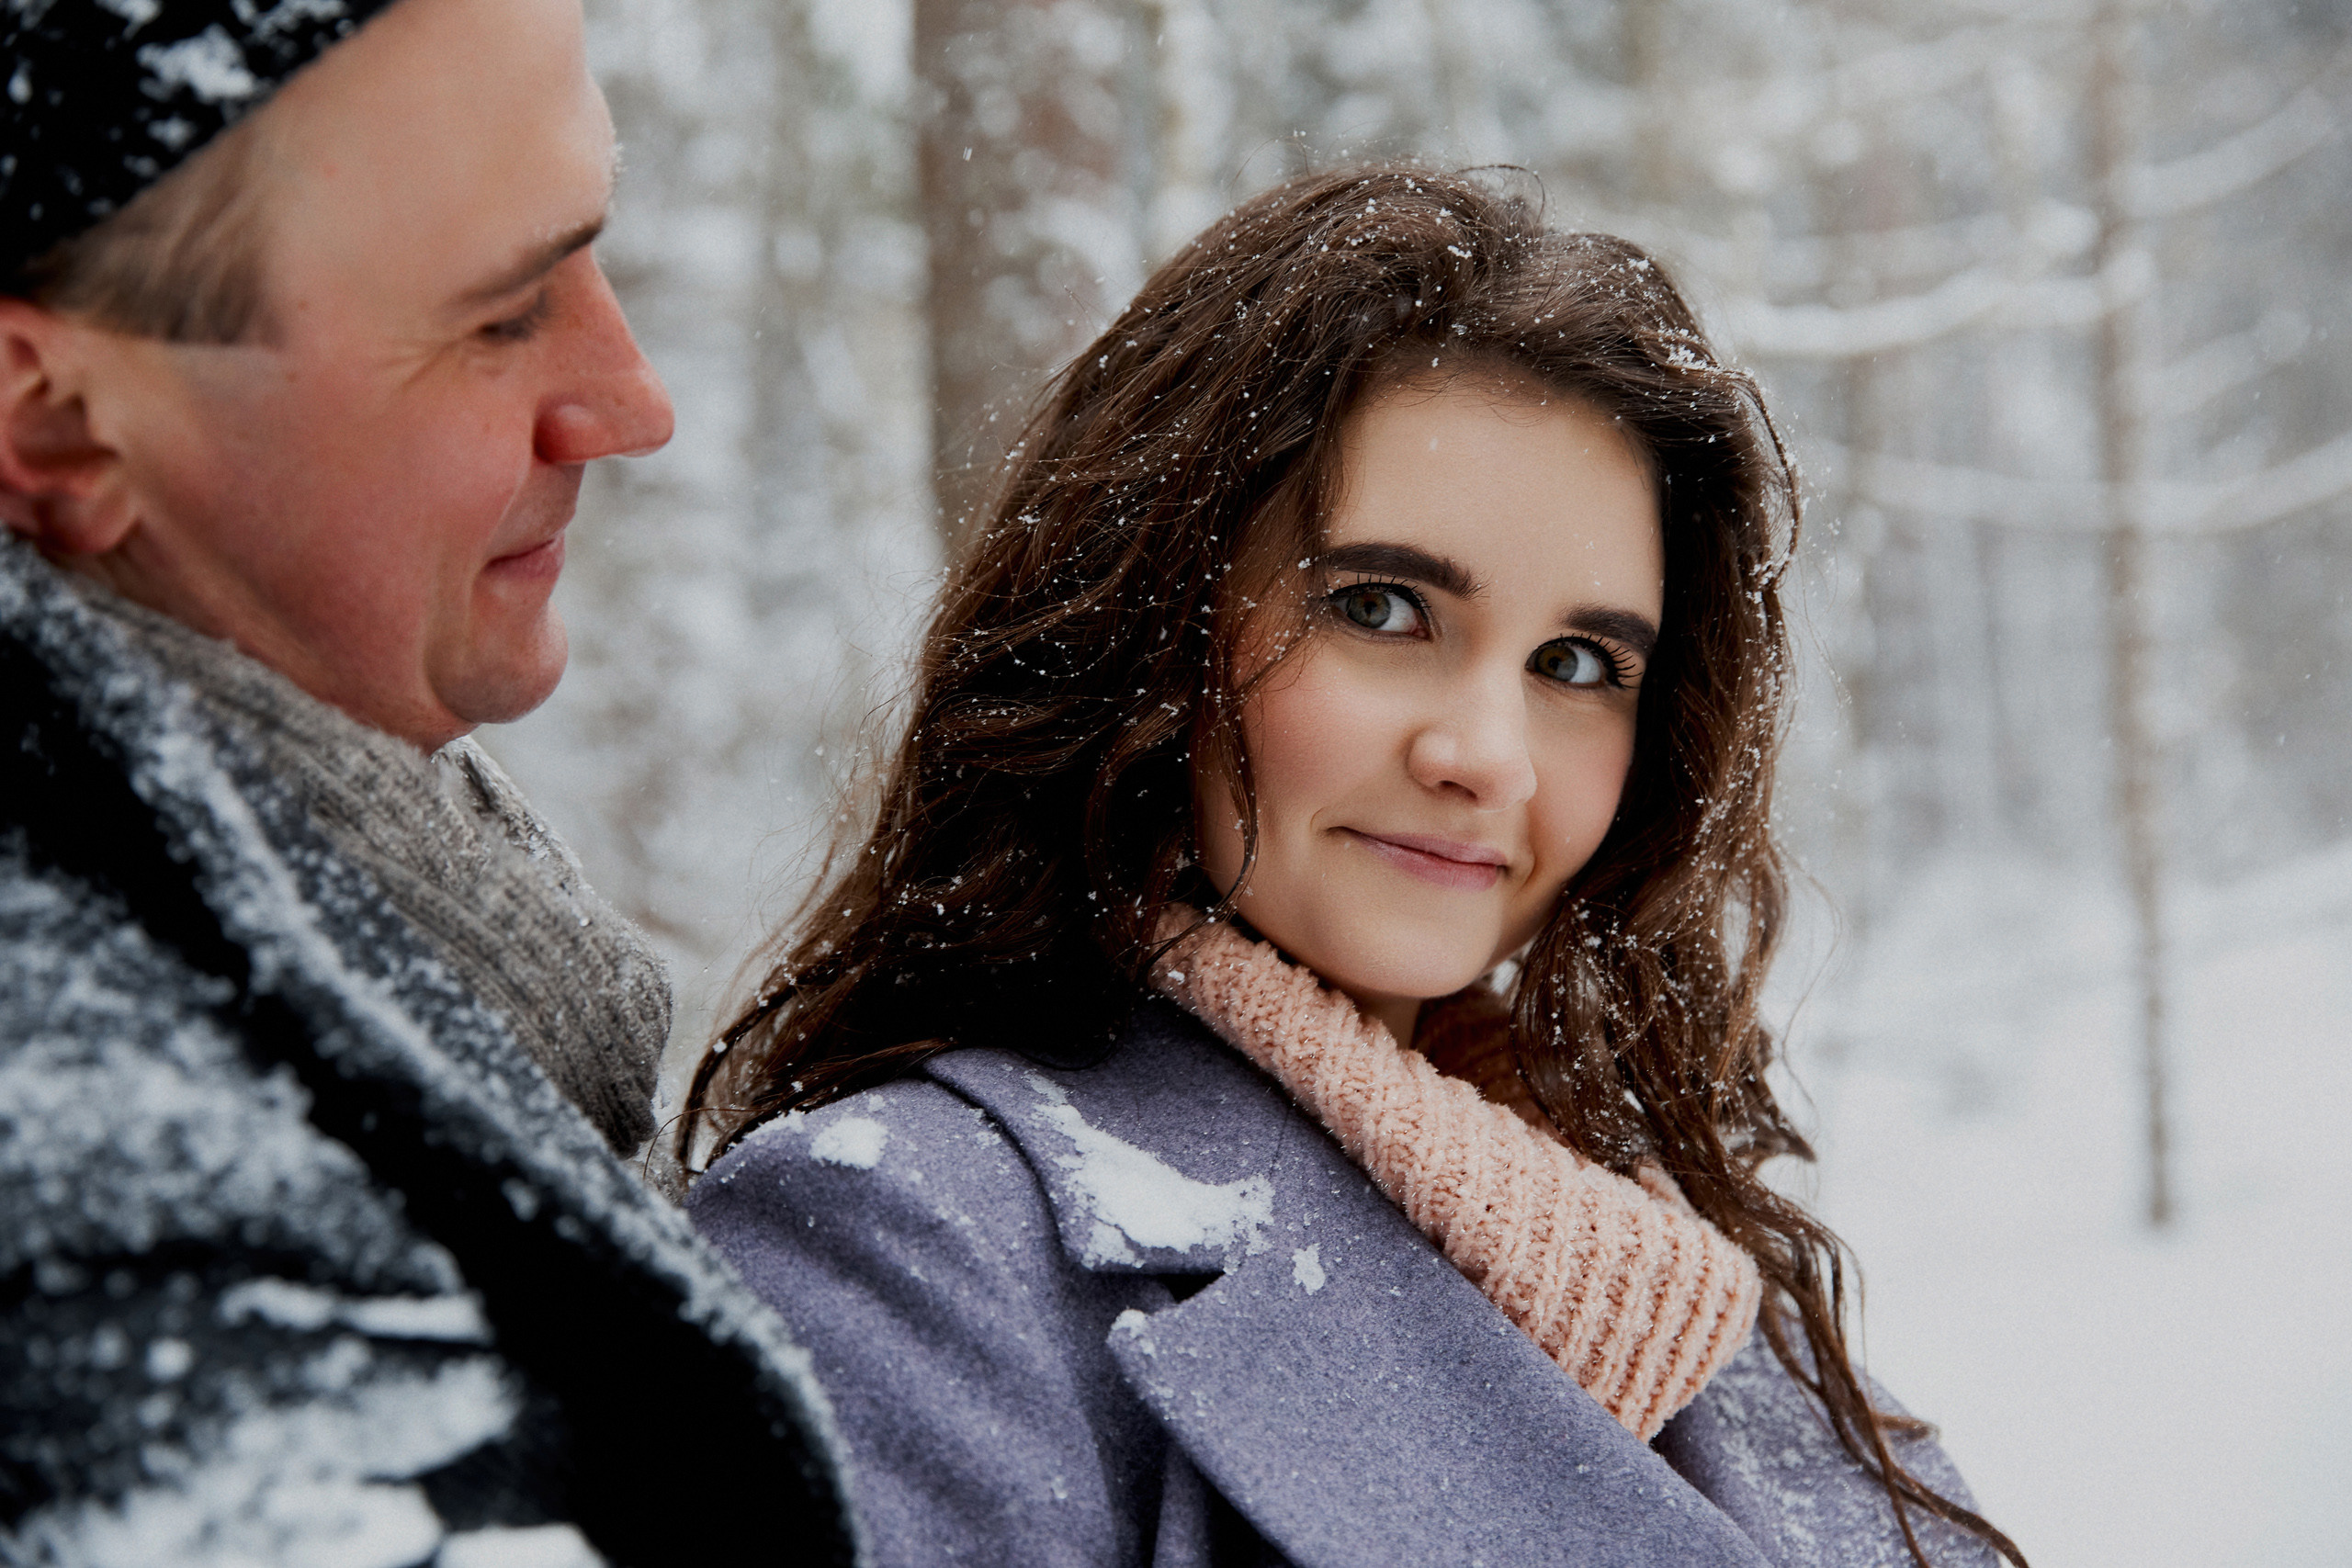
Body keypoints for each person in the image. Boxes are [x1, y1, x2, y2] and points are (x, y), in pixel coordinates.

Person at [684, 166, 2025, 1567]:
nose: (1487, 755)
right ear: (1154, 620)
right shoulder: (905, 1243)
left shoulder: (1683, 1287)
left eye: (1577, 664)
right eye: (1382, 609)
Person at [0, 0, 849, 1560]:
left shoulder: (349, 943)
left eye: (593, 254)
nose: (632, 404)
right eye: (500, 316)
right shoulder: (118, 1243)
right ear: (56, 423)